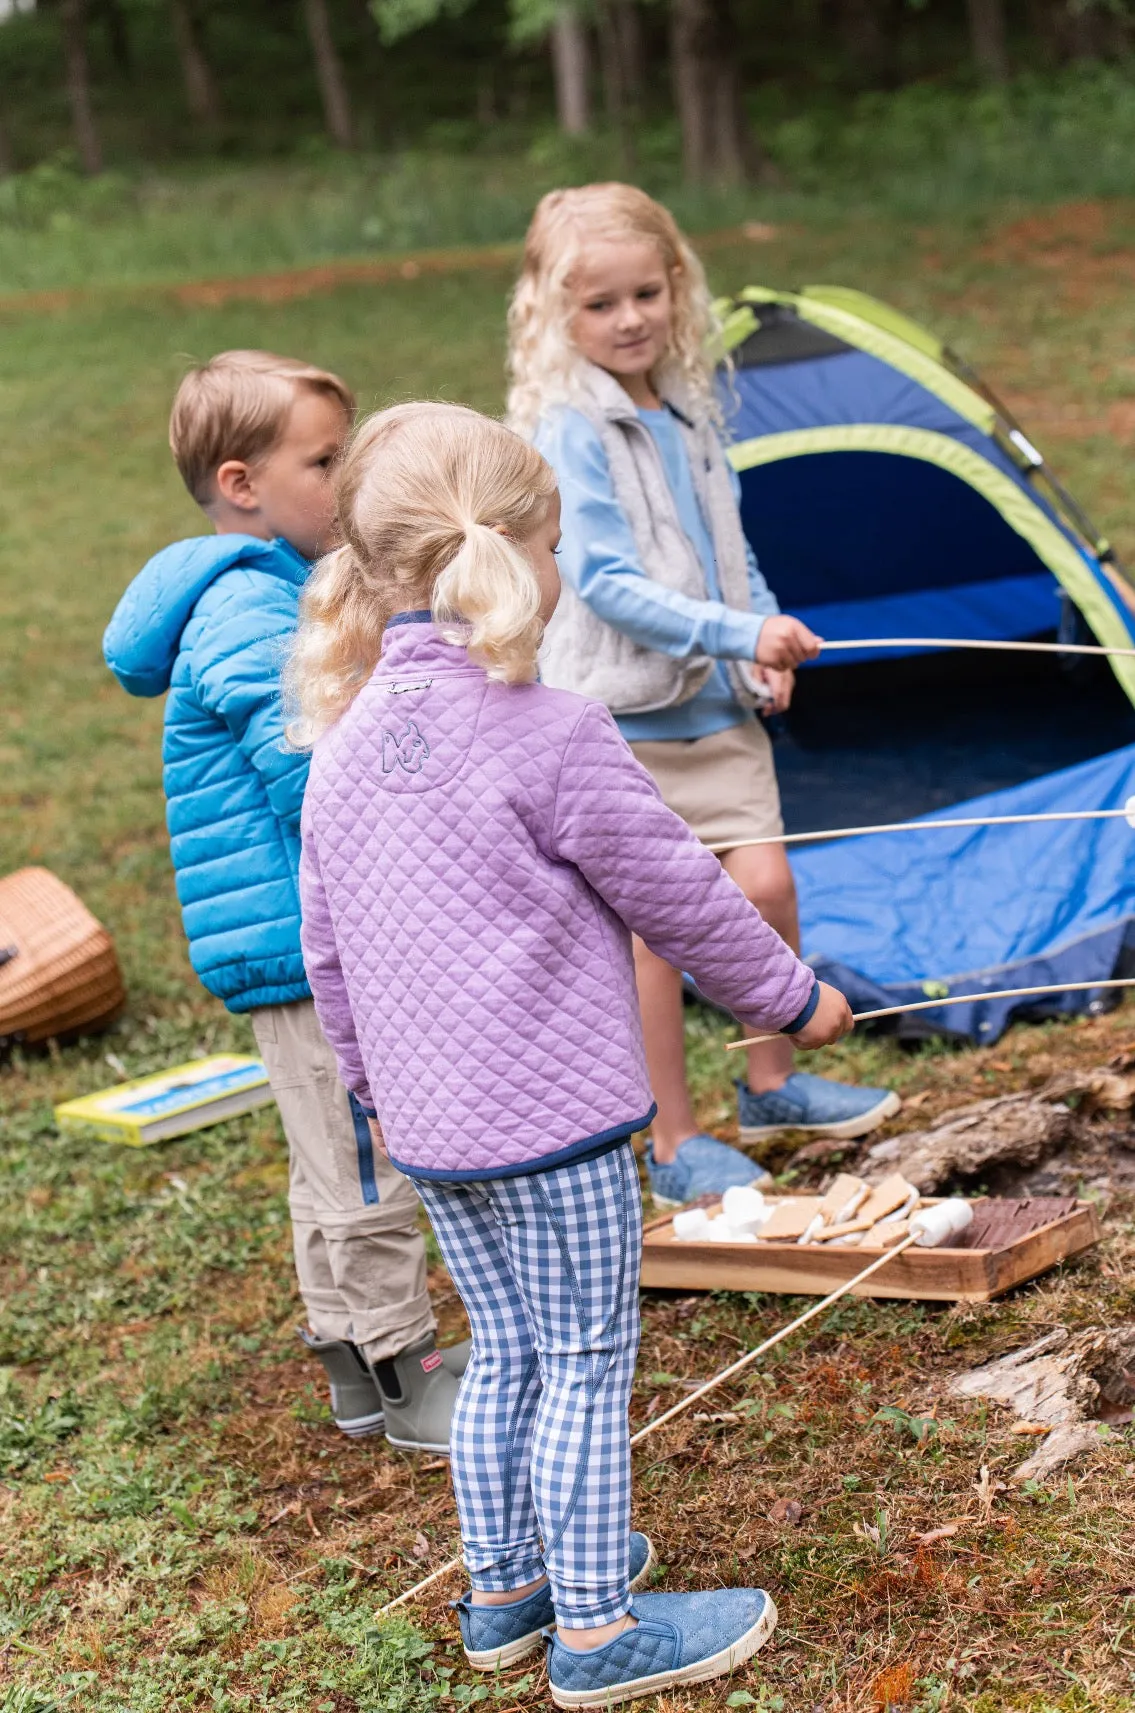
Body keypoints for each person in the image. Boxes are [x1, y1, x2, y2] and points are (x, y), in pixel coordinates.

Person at [287, 399, 855, 1705]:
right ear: (527, 555)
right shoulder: (550, 732)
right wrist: (789, 998)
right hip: (559, 1130)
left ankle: (507, 1593)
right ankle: (597, 1628)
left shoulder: (342, 745)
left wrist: (381, 1094)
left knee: (505, 1353)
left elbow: (329, 963)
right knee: (588, 1363)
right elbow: (684, 896)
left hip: (430, 1131)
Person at [506, 183, 900, 1209]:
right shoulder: (568, 425)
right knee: (654, 936)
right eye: (601, 304)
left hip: (716, 704)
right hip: (623, 718)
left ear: (678, 290)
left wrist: (759, 645)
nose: (630, 319)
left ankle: (768, 1082)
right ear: (554, 312)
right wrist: (737, 632)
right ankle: (672, 1138)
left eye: (648, 292)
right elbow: (602, 583)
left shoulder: (685, 410)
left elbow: (733, 556)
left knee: (765, 887)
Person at [102, 350, 465, 1453]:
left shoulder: (258, 593)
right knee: (364, 1159)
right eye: (325, 459)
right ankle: (406, 1370)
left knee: (330, 1155)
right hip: (307, 943)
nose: (349, 477)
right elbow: (311, 770)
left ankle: (353, 1367)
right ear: (242, 483)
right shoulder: (244, 612)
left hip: (286, 942)